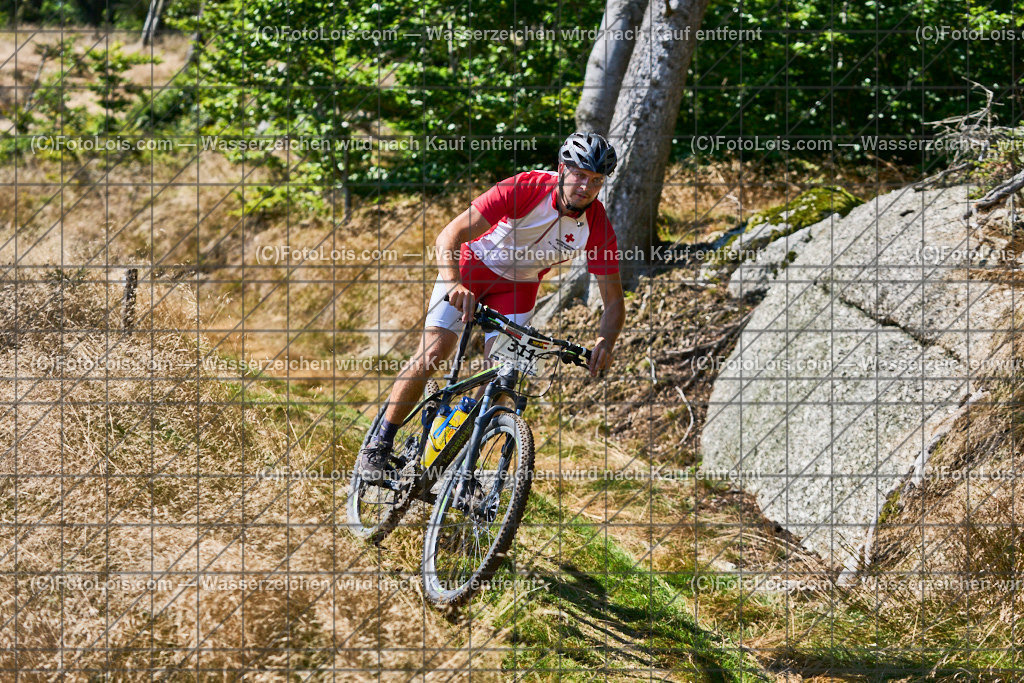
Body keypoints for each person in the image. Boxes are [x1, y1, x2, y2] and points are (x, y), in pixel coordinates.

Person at [357, 132, 626, 483]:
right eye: (580, 175)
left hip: (519, 288)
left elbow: (614, 300)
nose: (586, 186)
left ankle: (457, 448)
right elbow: (449, 235)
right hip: (472, 267)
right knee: (434, 352)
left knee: (500, 379)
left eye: (596, 181)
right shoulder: (524, 188)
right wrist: (453, 283)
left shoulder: (597, 226)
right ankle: (378, 444)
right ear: (562, 169)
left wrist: (606, 340)